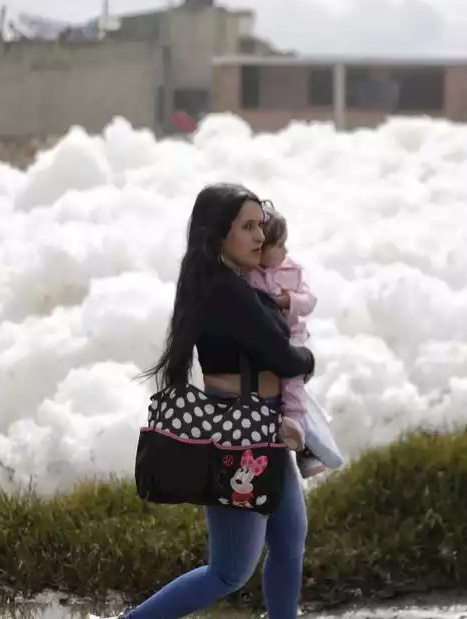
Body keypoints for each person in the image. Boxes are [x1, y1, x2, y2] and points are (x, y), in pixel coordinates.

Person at [114, 182, 317, 619]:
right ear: (218, 234)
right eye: (247, 227)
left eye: (260, 225)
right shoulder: (226, 291)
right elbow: (281, 355)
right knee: (228, 571)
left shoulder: (235, 284)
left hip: (263, 425)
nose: (260, 236)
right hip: (239, 433)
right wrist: (308, 359)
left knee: (288, 541)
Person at [245, 203, 343, 479]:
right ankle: (302, 436)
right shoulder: (246, 273)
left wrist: (288, 300)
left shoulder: (292, 270)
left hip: (293, 338)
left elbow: (309, 301)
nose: (285, 251)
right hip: (265, 345)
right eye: (280, 246)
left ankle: (299, 434)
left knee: (292, 381)